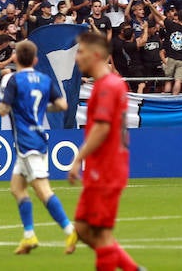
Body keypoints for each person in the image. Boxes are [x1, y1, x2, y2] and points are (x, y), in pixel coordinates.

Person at [0, 39, 78, 255]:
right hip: (36, 138)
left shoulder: (15, 81)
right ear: (36, 60)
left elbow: (3, 110)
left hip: (28, 143)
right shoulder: (44, 79)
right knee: (17, 188)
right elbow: (62, 105)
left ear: (15, 58)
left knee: (42, 190)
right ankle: (29, 236)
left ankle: (70, 229)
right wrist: (38, 108)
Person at [66, 30, 141, 270]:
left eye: (80, 52)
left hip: (107, 168)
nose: (76, 57)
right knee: (83, 228)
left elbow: (102, 127)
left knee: (101, 233)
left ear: (96, 54)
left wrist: (78, 158)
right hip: (102, 167)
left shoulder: (108, 85)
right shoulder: (107, 84)